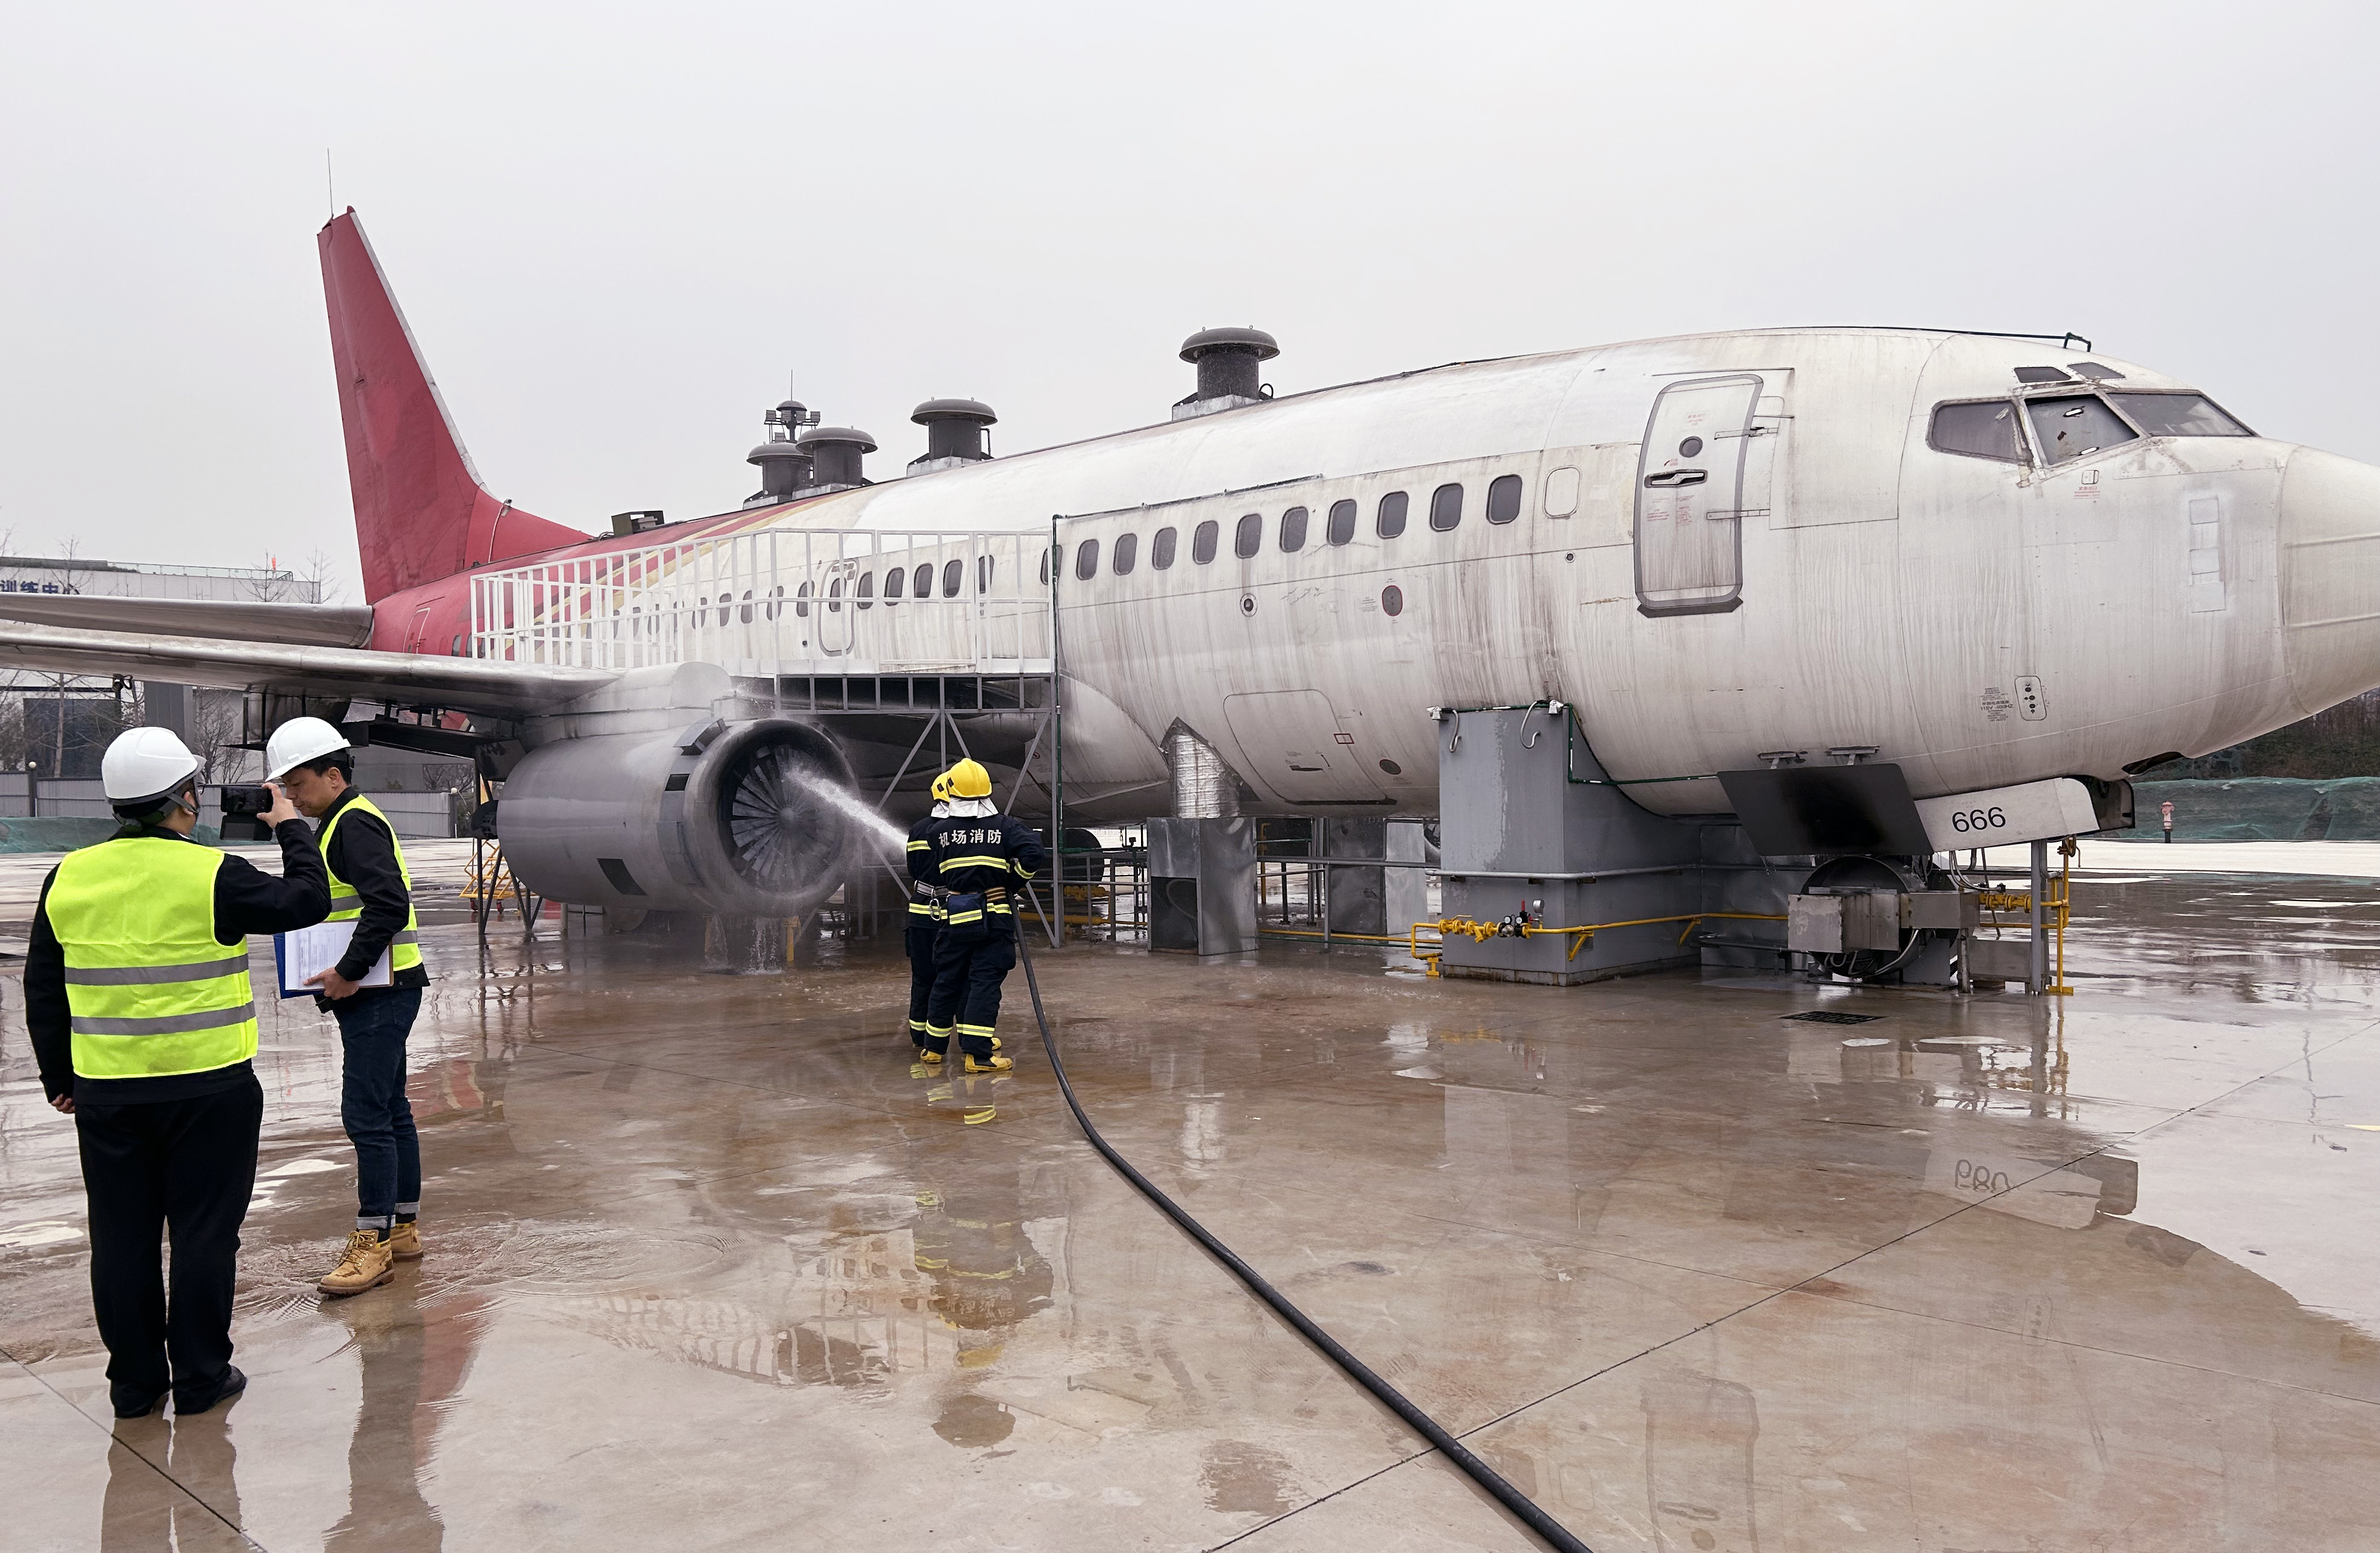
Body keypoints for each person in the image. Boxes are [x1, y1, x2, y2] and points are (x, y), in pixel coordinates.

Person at [29, 727, 328, 1418]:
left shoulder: (68, 875)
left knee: (121, 1241)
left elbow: (44, 987)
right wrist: (289, 827)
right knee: (203, 1235)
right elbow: (306, 902)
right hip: (208, 1087)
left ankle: (135, 1387)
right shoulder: (213, 872)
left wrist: (59, 1077)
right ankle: (200, 1376)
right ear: (184, 798)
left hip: (108, 1092)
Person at [263, 717, 431, 1300]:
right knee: (390, 1109)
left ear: (332, 776)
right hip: (386, 988)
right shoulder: (341, 822)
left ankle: (373, 1244)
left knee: (366, 1116)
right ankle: (401, 1229)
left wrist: (348, 971)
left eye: (298, 784)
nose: (293, 795)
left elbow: (388, 905)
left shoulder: (353, 824)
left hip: (379, 991)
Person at [920, 759, 1047, 1072]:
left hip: (955, 916)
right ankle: (978, 1056)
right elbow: (1034, 852)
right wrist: (1012, 882)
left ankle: (933, 1048)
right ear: (987, 791)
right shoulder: (1004, 827)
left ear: (953, 792)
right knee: (984, 983)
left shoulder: (938, 832)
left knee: (948, 979)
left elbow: (940, 857)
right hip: (993, 916)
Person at [903, 772, 954, 1052]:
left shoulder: (917, 829)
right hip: (953, 912)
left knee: (922, 977)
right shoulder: (959, 831)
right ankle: (949, 1037)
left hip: (920, 911)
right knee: (955, 977)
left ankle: (919, 1035)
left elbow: (913, 868)